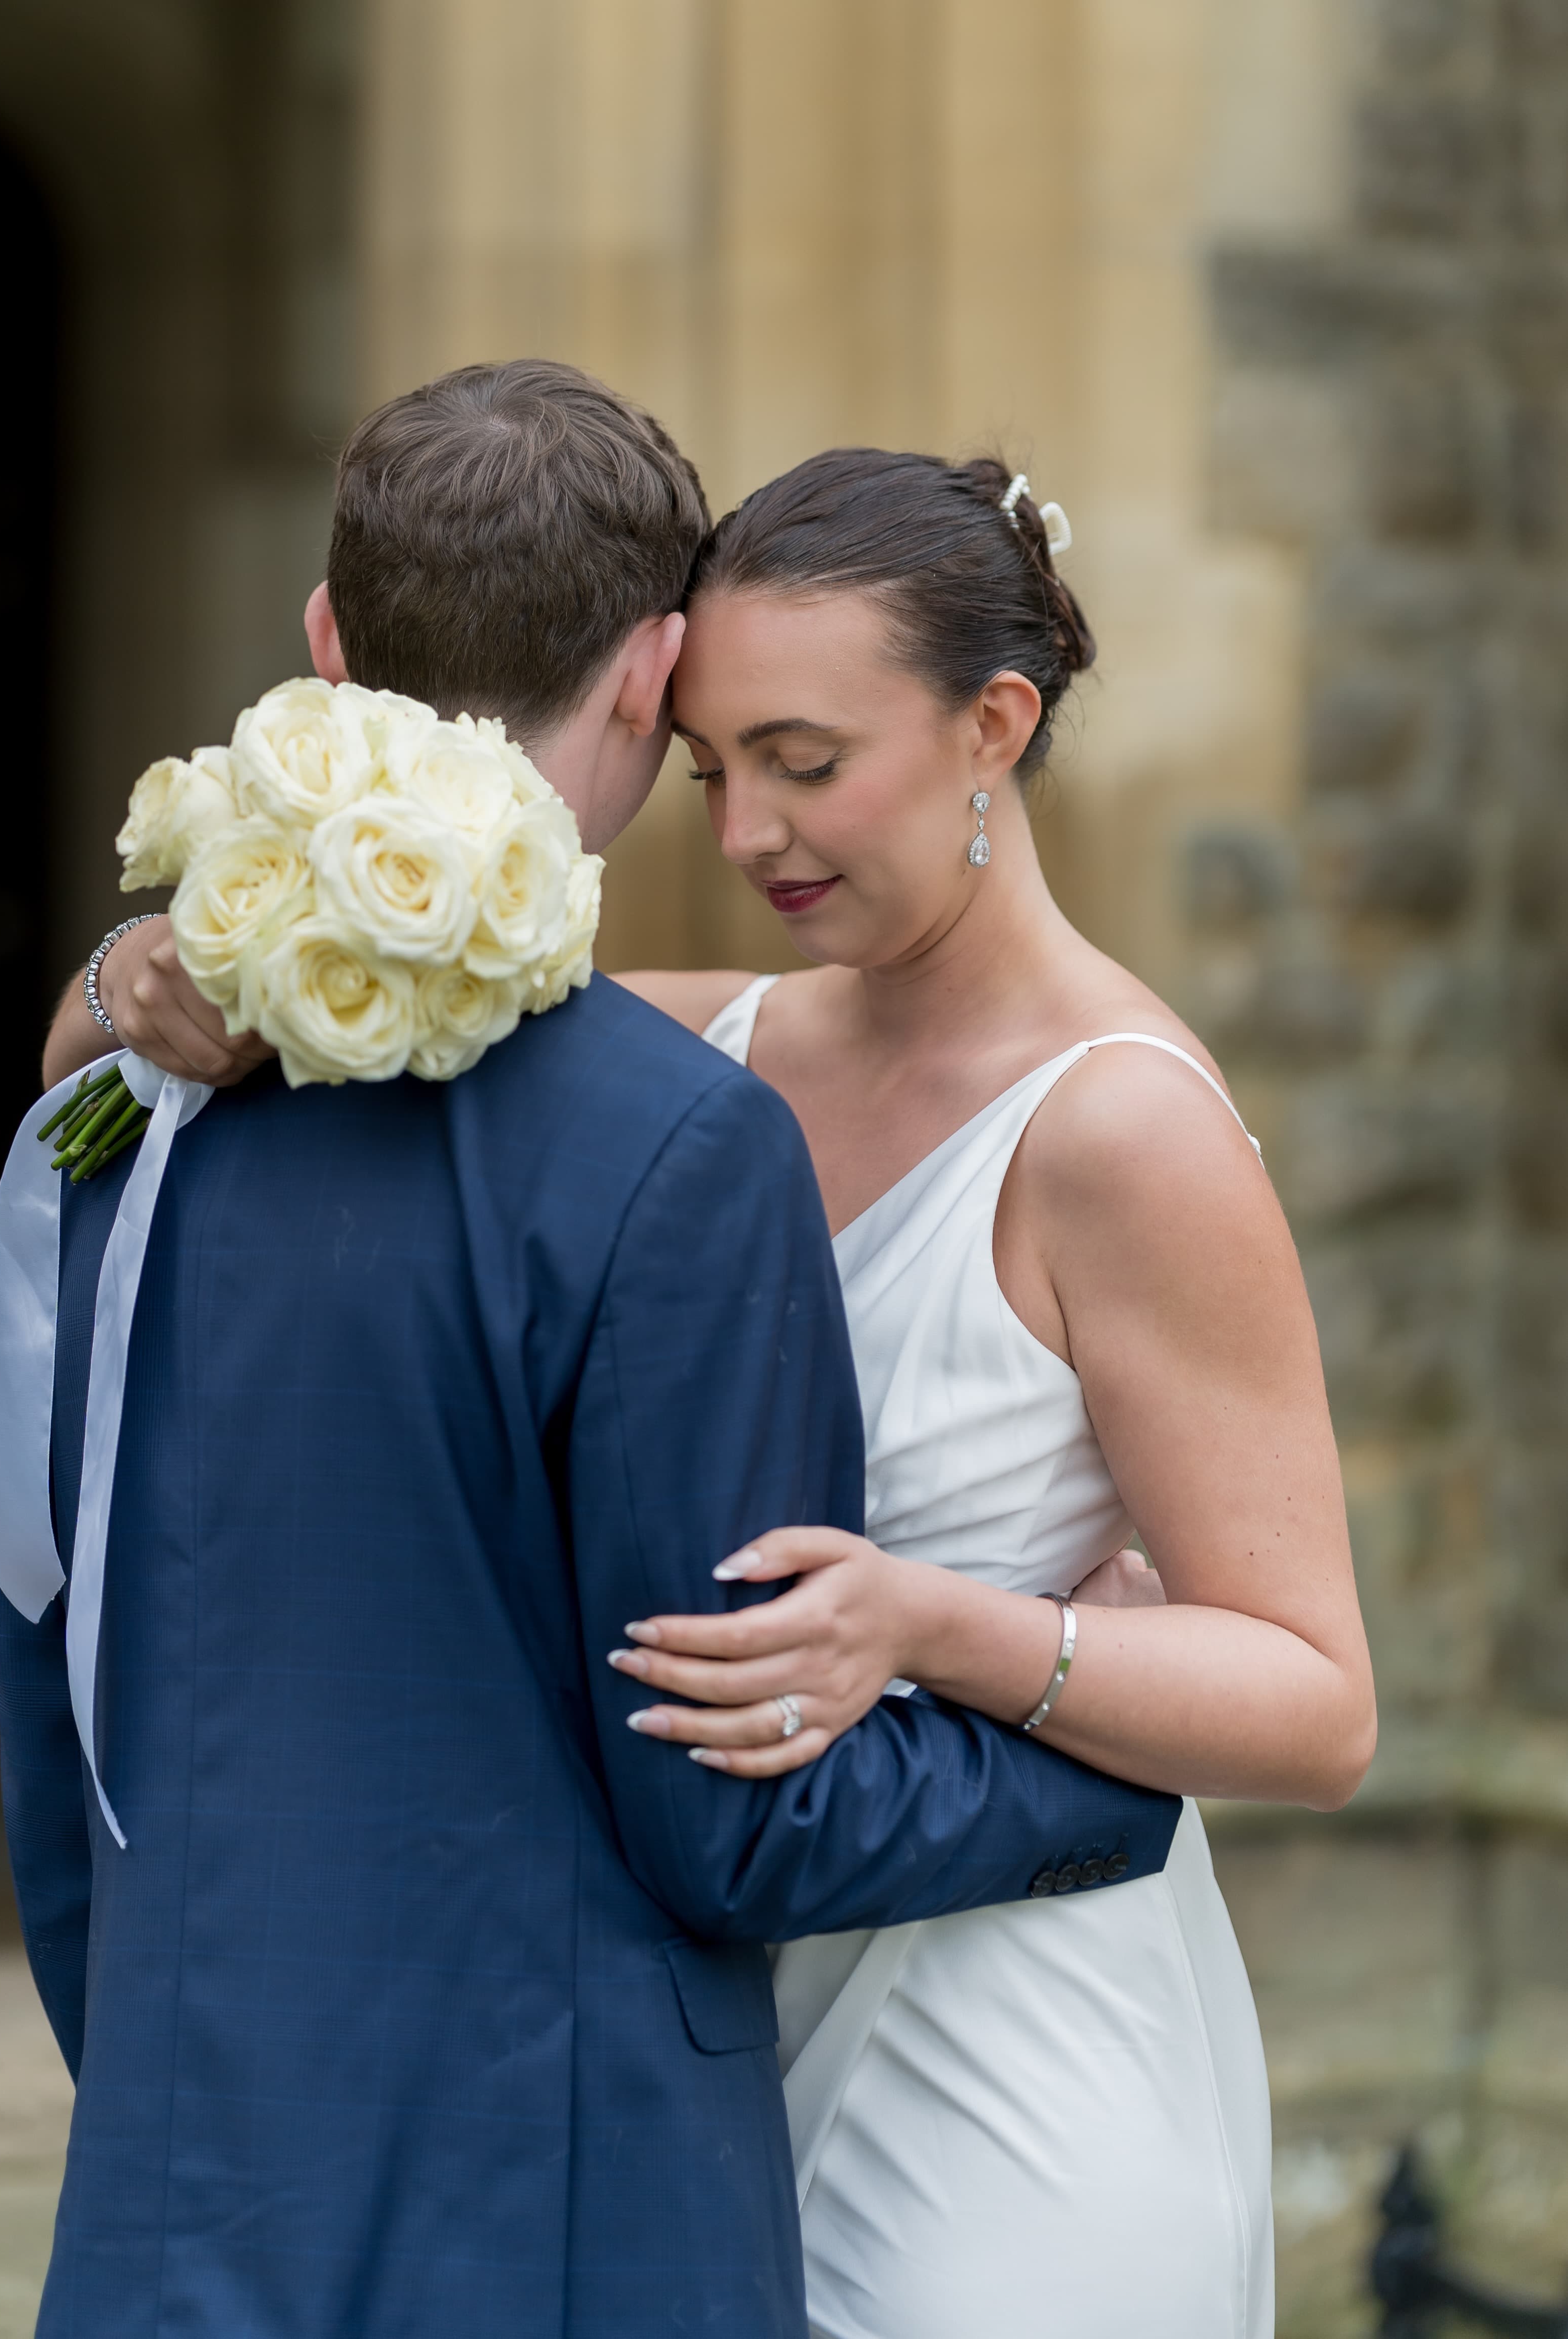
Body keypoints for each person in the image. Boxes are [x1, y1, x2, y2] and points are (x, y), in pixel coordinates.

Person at [0, 363, 1179, 2339]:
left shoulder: (105, 1115)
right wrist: (1107, 1755)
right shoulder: (681, 1142)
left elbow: (57, 1713)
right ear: (652, 674)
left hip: (169, 2201)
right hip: (561, 2219)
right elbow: (729, 1801)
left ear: (321, 642)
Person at [596, 448, 1376, 2338]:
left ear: (991, 728)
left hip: (1013, 2090)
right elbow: (295, 1003)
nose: (748, 832)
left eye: (806, 760)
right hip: (720, 2049)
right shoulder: (709, 1045)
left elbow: (1316, 1703)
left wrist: (933, 1622)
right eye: (711, 771)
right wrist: (141, 976)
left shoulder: (1121, 1130)